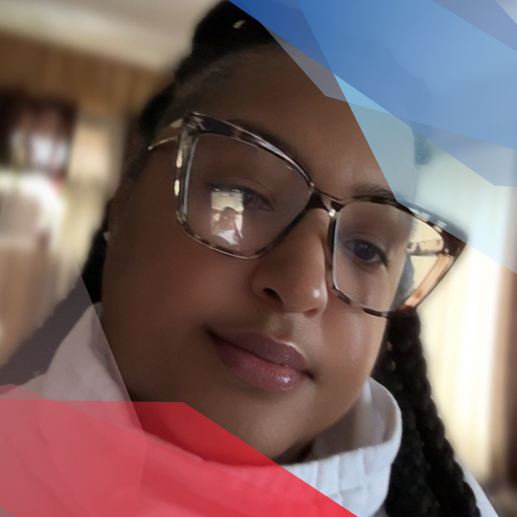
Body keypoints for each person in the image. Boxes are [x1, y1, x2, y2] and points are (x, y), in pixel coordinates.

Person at [0, 2, 498, 516]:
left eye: (366, 249)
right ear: (127, 191)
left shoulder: (451, 504)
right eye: (242, 195)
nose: (302, 287)